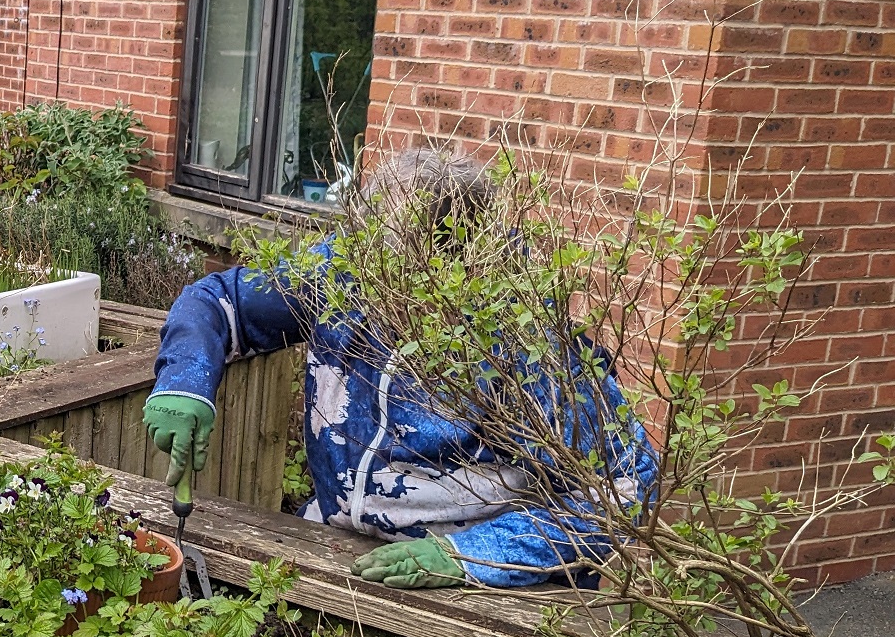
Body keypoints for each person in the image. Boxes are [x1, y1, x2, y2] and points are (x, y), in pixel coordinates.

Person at [141, 148, 656, 590]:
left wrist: (474, 555)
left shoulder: (529, 346)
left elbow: (629, 484)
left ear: (458, 258)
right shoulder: (346, 277)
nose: (373, 285)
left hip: (481, 590)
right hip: (337, 540)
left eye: (396, 267)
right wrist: (185, 383)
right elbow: (220, 301)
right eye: (368, 255)